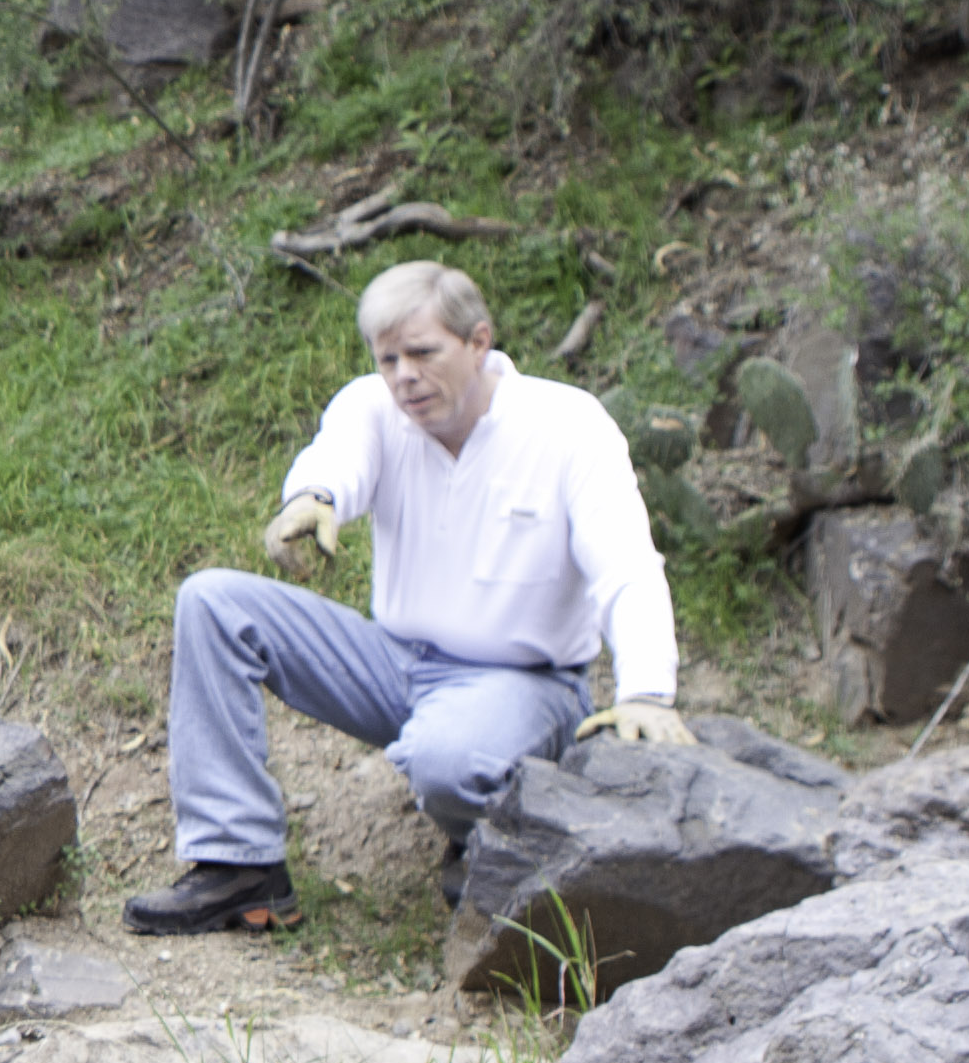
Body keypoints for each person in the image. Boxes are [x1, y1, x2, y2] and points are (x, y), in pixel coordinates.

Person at [126, 258, 686, 936]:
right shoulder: (374, 406)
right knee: (213, 601)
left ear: (478, 342)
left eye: (422, 353)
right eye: (388, 358)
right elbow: (340, 457)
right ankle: (238, 864)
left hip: (525, 682)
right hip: (393, 662)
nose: (403, 376)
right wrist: (312, 497)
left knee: (445, 758)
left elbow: (626, 565)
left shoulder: (567, 425)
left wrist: (646, 692)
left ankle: (487, 839)